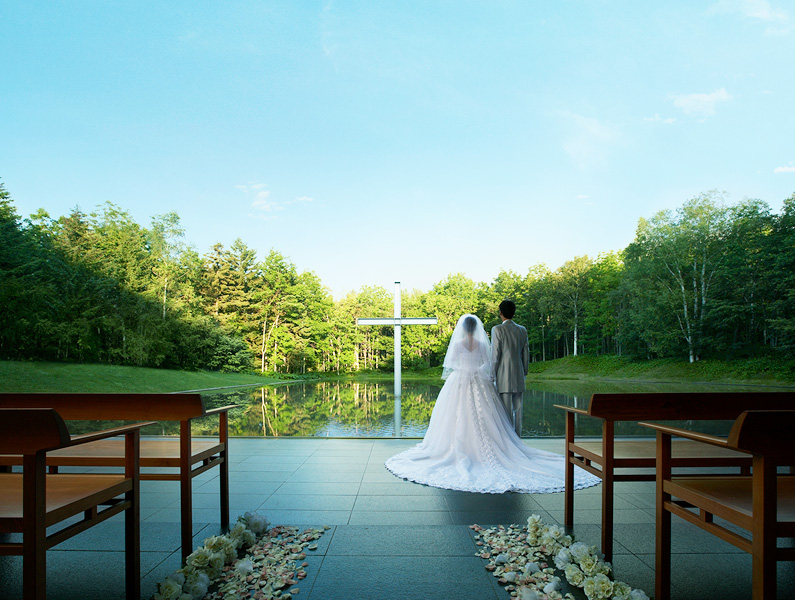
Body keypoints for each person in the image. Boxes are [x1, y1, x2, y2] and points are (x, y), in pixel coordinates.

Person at [384, 313, 599, 494]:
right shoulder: (480, 344)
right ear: (476, 328)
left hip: (459, 381)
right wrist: (480, 371)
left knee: (455, 416)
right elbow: (489, 361)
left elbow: (451, 363)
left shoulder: (458, 344)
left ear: (462, 329)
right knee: (487, 416)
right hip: (478, 380)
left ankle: (459, 447)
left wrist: (463, 368)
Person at [491, 299, 528, 437]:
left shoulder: (497, 329)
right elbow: (525, 352)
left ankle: (508, 440)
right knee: (518, 410)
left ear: (500, 313)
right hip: (518, 374)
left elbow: (495, 354)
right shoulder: (522, 330)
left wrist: (492, 375)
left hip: (503, 374)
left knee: (506, 411)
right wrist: (524, 371)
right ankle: (517, 438)